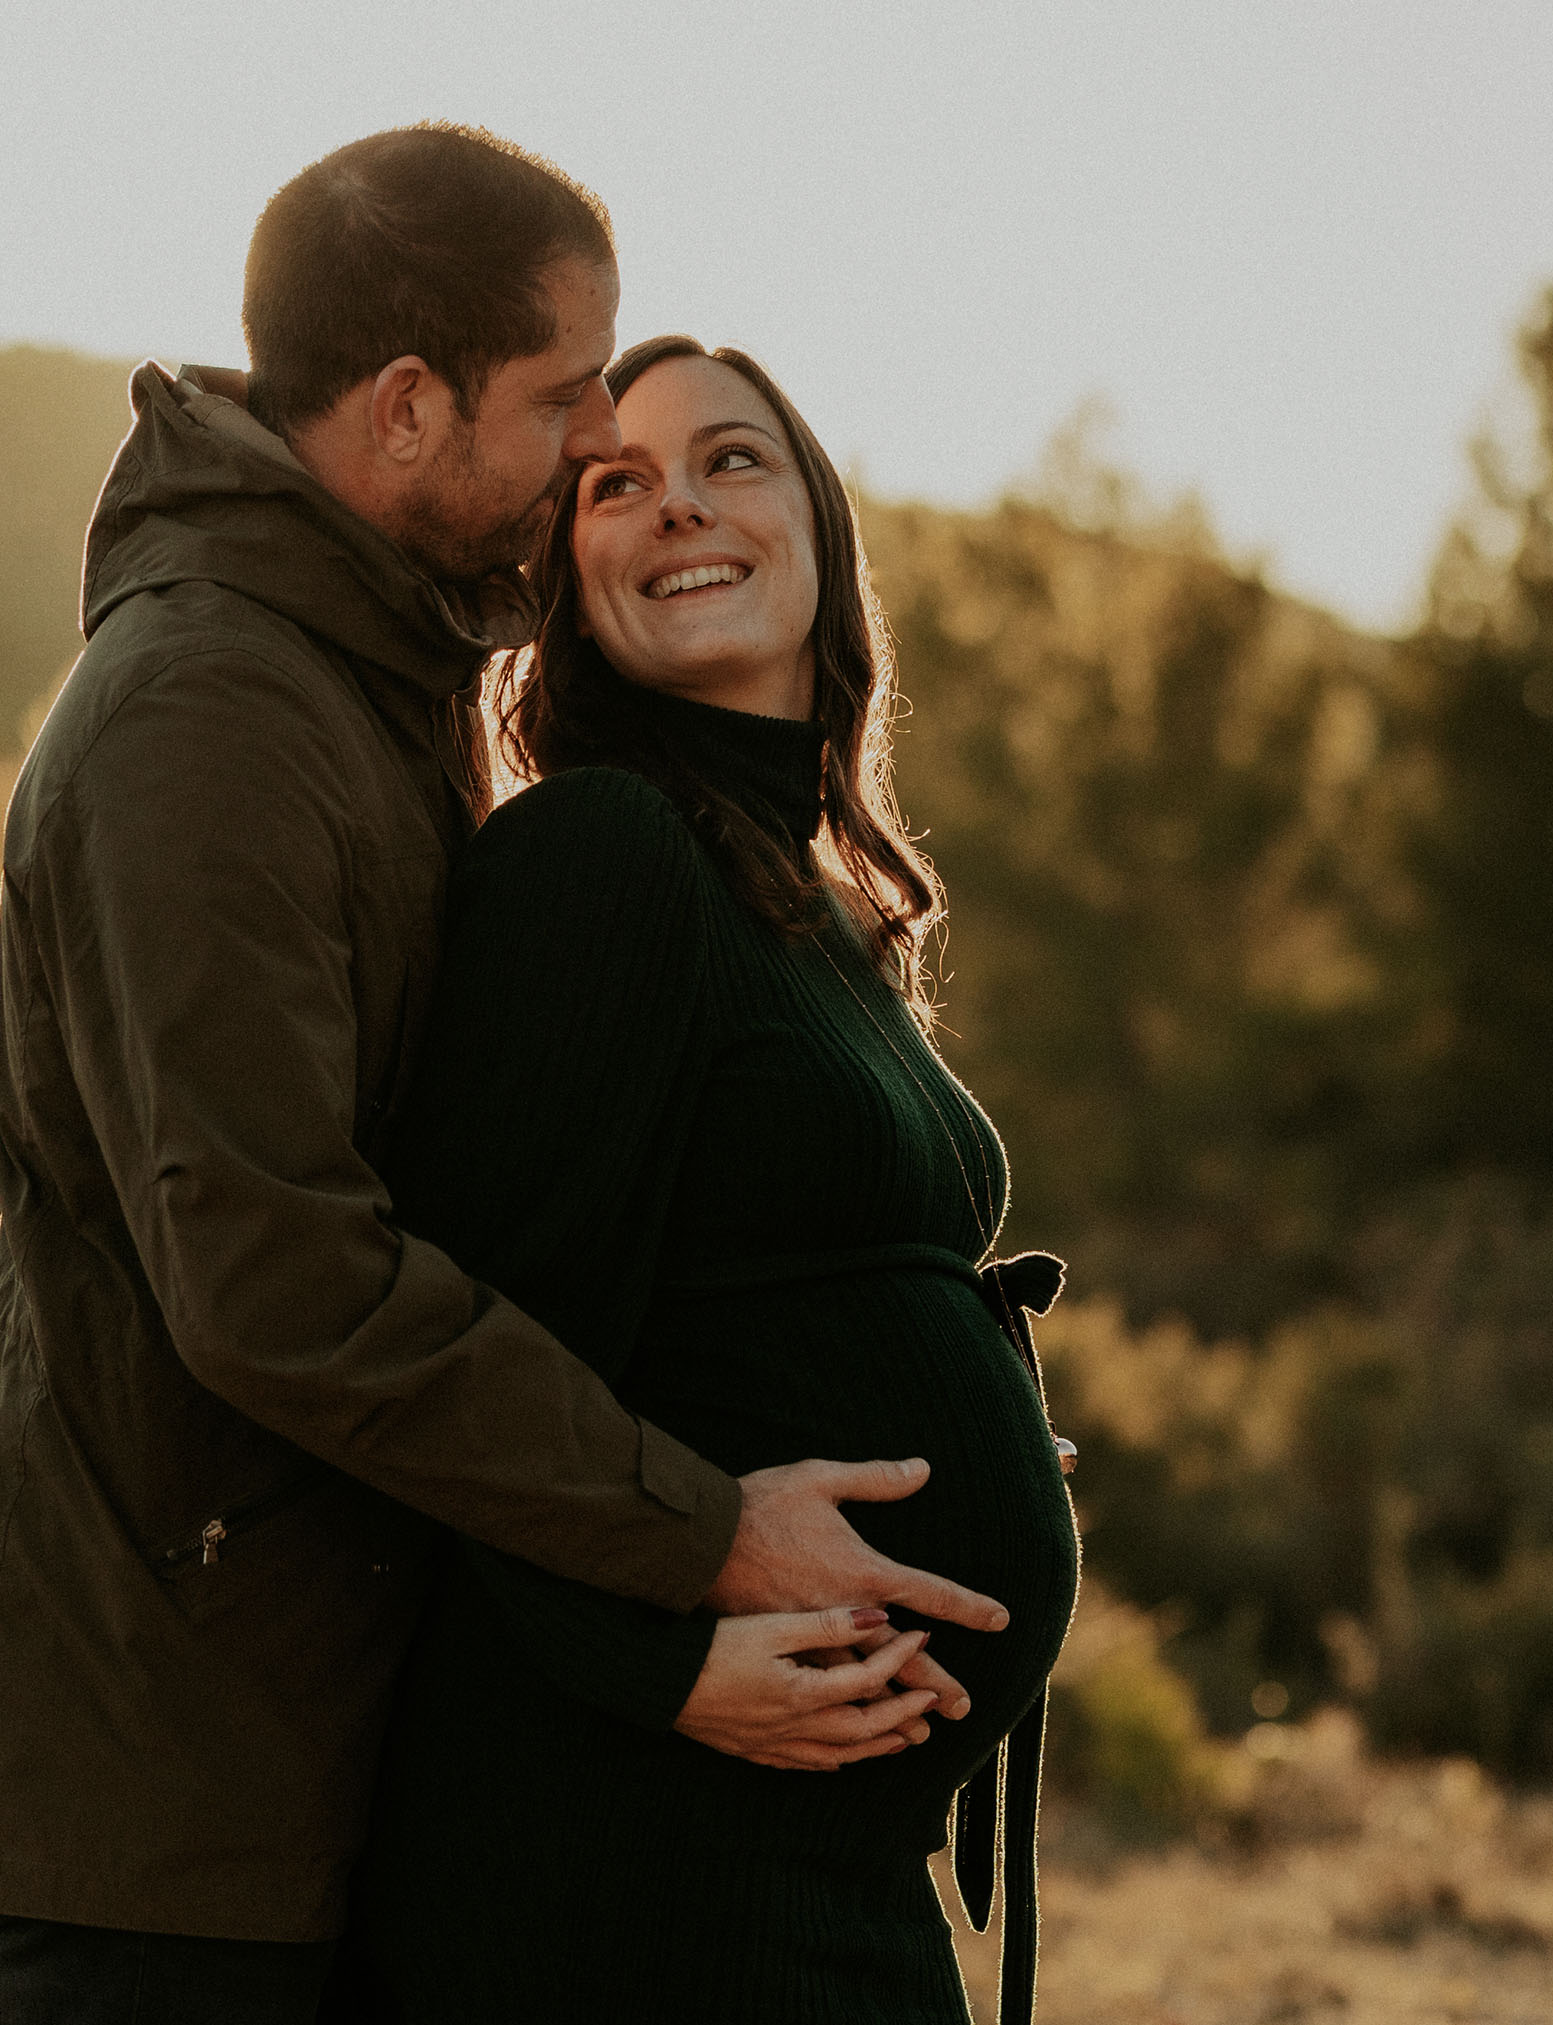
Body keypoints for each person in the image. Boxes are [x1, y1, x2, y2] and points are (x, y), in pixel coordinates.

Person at [0, 127, 1011, 2024]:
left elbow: (509, 1224)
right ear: (409, 408)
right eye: (570, 398)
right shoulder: (209, 715)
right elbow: (279, 1275)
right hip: (189, 1759)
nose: (601, 442)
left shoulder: (368, 691)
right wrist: (700, 1540)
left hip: (328, 1724)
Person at [343, 337, 1083, 2025]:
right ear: (570, 578)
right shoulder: (600, 853)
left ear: (821, 531)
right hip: (639, 1852)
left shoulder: (806, 902)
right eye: (615, 481)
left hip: (809, 1854)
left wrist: (962, 1411)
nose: (676, 499)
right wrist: (663, 1660)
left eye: (731, 458)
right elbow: (474, 1357)